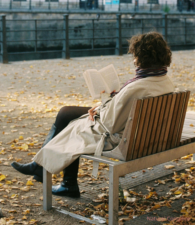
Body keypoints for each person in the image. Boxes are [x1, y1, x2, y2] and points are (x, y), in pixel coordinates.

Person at [11, 32, 174, 198]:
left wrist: (100, 107)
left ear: (142, 57)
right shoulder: (163, 80)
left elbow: (110, 124)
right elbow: (122, 112)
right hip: (145, 134)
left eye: (135, 55)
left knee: (72, 121)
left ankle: (53, 175)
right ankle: (50, 173)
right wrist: (107, 102)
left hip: (122, 139)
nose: (133, 60)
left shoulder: (136, 87)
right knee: (66, 114)